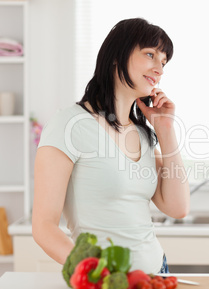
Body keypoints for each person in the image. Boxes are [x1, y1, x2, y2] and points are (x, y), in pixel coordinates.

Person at [32, 18, 190, 274]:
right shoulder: (69, 125)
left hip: (157, 272)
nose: (159, 68)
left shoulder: (142, 135)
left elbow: (178, 207)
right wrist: (95, 273)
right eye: (150, 54)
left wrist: (165, 131)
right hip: (106, 279)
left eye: (163, 61)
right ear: (117, 56)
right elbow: (43, 227)